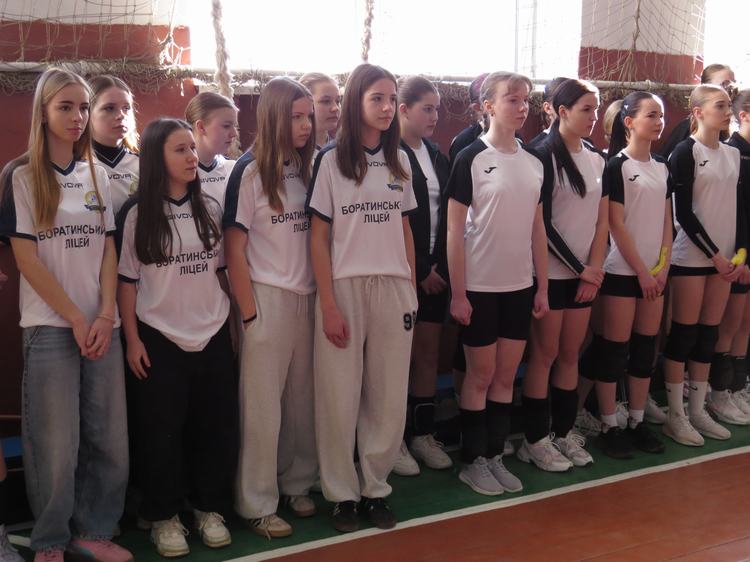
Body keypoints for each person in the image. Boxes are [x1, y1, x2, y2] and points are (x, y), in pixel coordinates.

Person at [0, 67, 131, 562]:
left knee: (108, 438)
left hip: (101, 327)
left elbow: (108, 250)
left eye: (82, 107)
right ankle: (51, 540)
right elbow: (27, 258)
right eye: (66, 107)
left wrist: (104, 314)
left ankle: (95, 530)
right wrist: (76, 317)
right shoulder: (22, 176)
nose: (77, 117)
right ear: (43, 112)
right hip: (51, 328)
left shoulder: (97, 174)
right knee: (55, 444)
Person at [307, 63, 418, 533]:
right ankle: (341, 495)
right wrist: (329, 304)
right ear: (356, 102)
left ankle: (375, 489)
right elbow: (318, 238)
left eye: (392, 99)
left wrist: (410, 288)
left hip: (393, 289)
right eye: (378, 98)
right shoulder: (331, 161)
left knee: (388, 397)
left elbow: (405, 229)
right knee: (338, 396)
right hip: (345, 288)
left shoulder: (401, 161)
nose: (388, 108)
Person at [118, 118, 236, 558]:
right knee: (160, 433)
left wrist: (233, 326)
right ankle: (163, 516)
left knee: (214, 427)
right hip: (159, 337)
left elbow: (220, 272)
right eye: (180, 150)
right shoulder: (135, 214)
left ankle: (207, 509)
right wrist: (133, 340)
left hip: (212, 333)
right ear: (156, 157)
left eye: (191, 148)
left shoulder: (210, 206)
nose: (191, 157)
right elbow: (127, 283)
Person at [447, 71, 549, 495]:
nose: (521, 106)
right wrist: (458, 293)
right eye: (512, 99)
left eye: (525, 99)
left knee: (506, 378)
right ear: (488, 106)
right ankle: (472, 461)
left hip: (518, 287)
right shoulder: (471, 157)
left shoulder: (534, 161)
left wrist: (542, 286)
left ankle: (493, 456)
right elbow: (454, 231)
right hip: (480, 288)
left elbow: (538, 229)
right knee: (480, 377)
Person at [224, 77, 318, 539]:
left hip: (307, 297)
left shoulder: (305, 167)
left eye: (308, 116)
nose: (305, 125)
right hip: (266, 298)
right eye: (296, 117)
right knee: (262, 409)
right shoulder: (248, 172)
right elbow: (233, 249)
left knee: (301, 403)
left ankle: (296, 482)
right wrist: (249, 314)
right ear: (274, 116)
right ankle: (256, 502)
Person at [520, 79, 607, 472]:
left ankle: (562, 433)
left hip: (585, 277)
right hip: (552, 276)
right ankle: (534, 440)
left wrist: (593, 271)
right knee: (545, 355)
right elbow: (543, 226)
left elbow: (601, 223)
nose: (594, 117)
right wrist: (580, 269)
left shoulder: (597, 158)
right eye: (586, 109)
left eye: (596, 109)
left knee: (570, 354)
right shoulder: (541, 156)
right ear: (561, 111)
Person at [661, 84, 746, 446]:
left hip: (724, 261)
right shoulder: (685, 152)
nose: (727, 112)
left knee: (709, 335)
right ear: (698, 112)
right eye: (720, 106)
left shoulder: (732, 154)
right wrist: (714, 254)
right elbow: (682, 213)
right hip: (692, 258)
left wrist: (739, 252)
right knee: (683, 334)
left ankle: (698, 411)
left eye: (728, 106)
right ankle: (675, 416)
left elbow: (739, 209)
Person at [594, 92, 672, 458]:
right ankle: (609, 425)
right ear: (629, 122)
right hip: (624, 273)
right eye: (651, 115)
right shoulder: (617, 166)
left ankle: (637, 421)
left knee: (645, 350)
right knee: (614, 351)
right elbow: (616, 223)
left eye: (661, 115)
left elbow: (667, 223)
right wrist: (641, 271)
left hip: (655, 276)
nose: (659, 121)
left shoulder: (663, 166)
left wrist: (662, 268)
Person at [391, 76, 453, 476]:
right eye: (426, 108)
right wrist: (420, 270)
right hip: (404, 273)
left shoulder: (435, 153)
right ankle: (392, 438)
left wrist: (439, 266)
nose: (434, 116)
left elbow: (447, 216)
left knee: (428, 355)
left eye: (436, 109)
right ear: (404, 109)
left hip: (436, 271)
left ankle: (422, 434)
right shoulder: (388, 153)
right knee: (397, 359)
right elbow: (396, 220)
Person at [88, 75, 139, 216]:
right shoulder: (75, 164)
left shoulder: (144, 163)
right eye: (109, 108)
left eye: (126, 108)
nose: (121, 115)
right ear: (88, 112)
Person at [184, 91, 239, 209]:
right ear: (201, 127)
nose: (234, 133)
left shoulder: (234, 169)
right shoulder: (178, 173)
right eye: (226, 126)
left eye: (235, 126)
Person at [299, 73, 341, 152]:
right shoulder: (290, 153)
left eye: (338, 101)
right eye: (326, 101)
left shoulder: (343, 147)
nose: (335, 108)